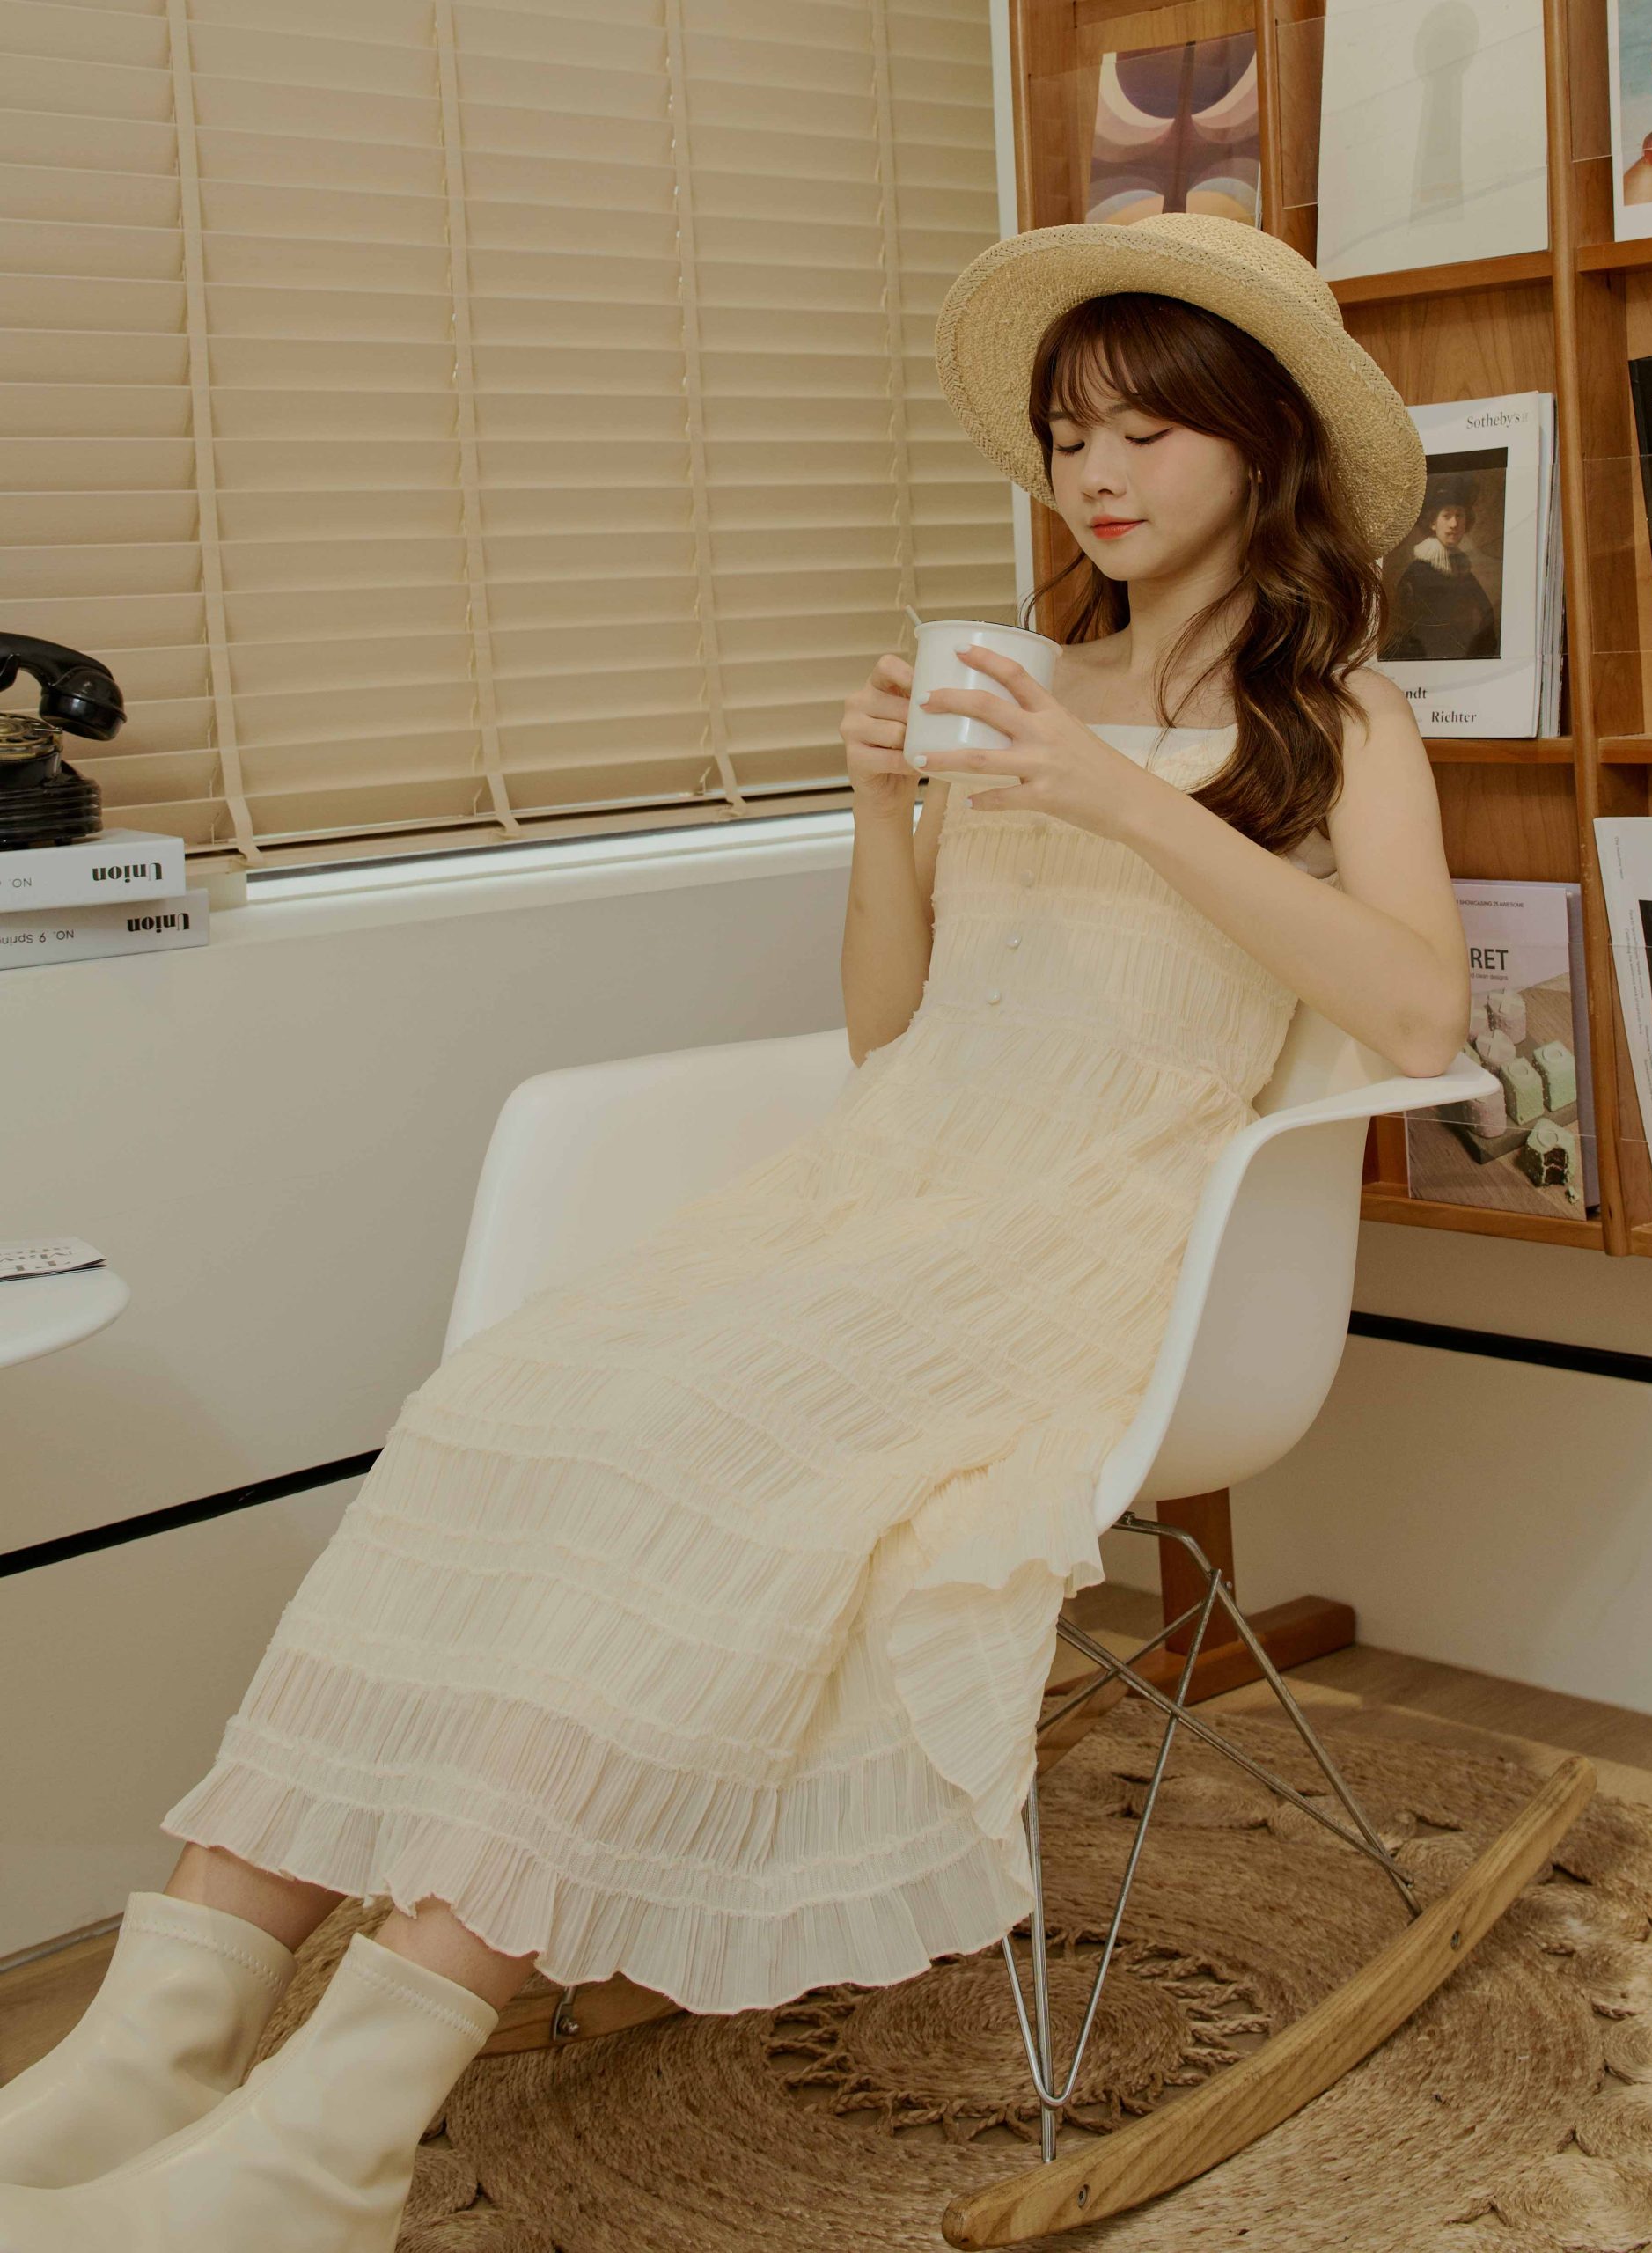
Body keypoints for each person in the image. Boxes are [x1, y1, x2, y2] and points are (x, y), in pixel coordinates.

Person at [0, 213, 1470, 2249]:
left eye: (1148, 429)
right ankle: (160, 2031)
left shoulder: (1344, 723)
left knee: (703, 1470)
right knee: (504, 1413)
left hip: (1098, 1233)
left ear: (1262, 445)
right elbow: (893, 1031)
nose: (1097, 474)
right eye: (1067, 435)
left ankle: (341, 2115)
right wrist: (878, 805)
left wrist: (1128, 796)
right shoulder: (1017, 688)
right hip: (885, 1184)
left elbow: (1419, 1015)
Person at [1379, 473, 1500, 661]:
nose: (1454, 524)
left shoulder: (1463, 571)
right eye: (1447, 516)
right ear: (1432, 523)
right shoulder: (1417, 573)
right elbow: (1401, 630)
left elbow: (1486, 617)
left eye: (1459, 515)